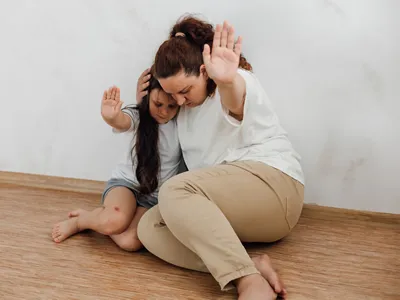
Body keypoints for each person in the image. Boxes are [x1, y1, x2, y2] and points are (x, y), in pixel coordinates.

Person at [136, 16, 305, 300]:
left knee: (175, 190)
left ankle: (248, 282)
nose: (178, 100)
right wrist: (145, 104)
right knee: (150, 226)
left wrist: (227, 81)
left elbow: (235, 103)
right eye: (171, 94)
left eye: (184, 90)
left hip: (275, 186)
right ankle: (248, 265)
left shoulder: (235, 82)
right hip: (237, 208)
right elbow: (161, 150)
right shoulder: (183, 111)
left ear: (204, 71)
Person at [52, 70, 181, 252]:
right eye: (158, 104)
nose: (164, 112)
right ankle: (81, 222)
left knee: (130, 242)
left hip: (154, 196)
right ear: (147, 97)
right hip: (126, 184)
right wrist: (111, 116)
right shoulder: (138, 115)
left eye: (172, 106)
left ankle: (97, 217)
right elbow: (122, 121)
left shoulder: (181, 124)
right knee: (115, 221)